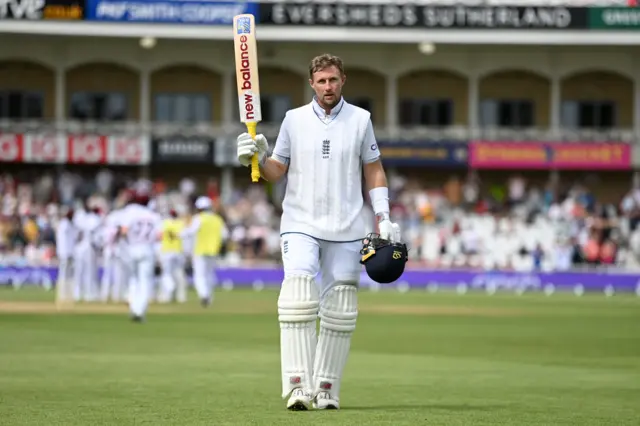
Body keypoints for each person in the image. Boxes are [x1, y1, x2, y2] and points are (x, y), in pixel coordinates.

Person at [236, 53, 400, 411]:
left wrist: (383, 214)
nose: (328, 87)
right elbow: (276, 170)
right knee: (297, 296)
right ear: (312, 83)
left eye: (333, 80)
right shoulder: (294, 120)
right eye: (322, 81)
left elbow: (373, 169)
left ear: (344, 81)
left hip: (349, 225)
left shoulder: (361, 119)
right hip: (300, 222)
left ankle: (326, 389)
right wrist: (256, 159)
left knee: (341, 308)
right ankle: (297, 386)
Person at [118, 185, 162, 322]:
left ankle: (132, 305)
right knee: (144, 282)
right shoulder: (154, 216)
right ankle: (139, 311)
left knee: (133, 279)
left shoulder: (130, 212)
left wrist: (128, 242)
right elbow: (160, 236)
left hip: (132, 248)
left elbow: (124, 231)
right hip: (147, 249)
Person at [180, 196, 227, 307]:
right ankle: (209, 298)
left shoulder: (198, 218)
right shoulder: (217, 219)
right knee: (209, 275)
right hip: (213, 251)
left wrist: (178, 235)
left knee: (199, 275)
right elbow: (225, 235)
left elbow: (190, 232)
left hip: (200, 251)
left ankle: (204, 295)